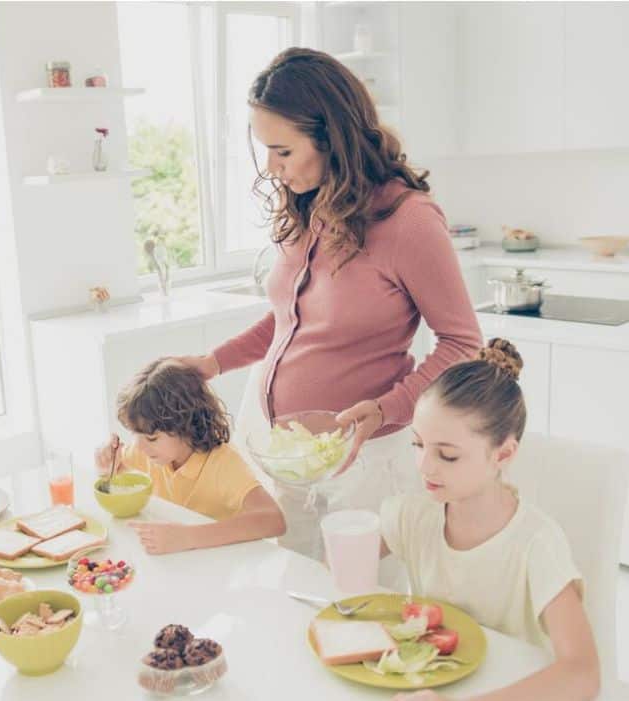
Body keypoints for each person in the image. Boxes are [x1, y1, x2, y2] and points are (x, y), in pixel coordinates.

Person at [177, 47, 482, 559]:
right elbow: (290, 321)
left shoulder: (408, 222)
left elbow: (462, 342)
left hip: (363, 464)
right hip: (293, 459)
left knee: (363, 608)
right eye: (264, 151)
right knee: (298, 601)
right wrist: (212, 363)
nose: (272, 168)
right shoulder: (309, 206)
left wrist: (387, 409)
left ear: (332, 137)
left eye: (283, 151)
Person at [381, 340, 600, 701]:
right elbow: (339, 581)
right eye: (418, 445)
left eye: (447, 456)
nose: (424, 466)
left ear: (504, 453)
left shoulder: (535, 543)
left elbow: (583, 673)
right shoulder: (413, 515)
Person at [94, 359, 285, 554]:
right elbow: (116, 474)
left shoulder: (222, 463)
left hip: (219, 565)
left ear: (186, 426)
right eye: (135, 434)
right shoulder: (148, 452)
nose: (139, 446)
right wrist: (106, 464)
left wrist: (189, 537)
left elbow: (273, 519)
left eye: (151, 438)